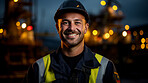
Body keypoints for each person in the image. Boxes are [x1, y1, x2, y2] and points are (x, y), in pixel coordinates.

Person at [24, 0, 120, 83]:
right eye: (65, 22)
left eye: (77, 22)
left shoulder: (106, 68)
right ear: (57, 28)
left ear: (86, 28)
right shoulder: (37, 69)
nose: (71, 28)